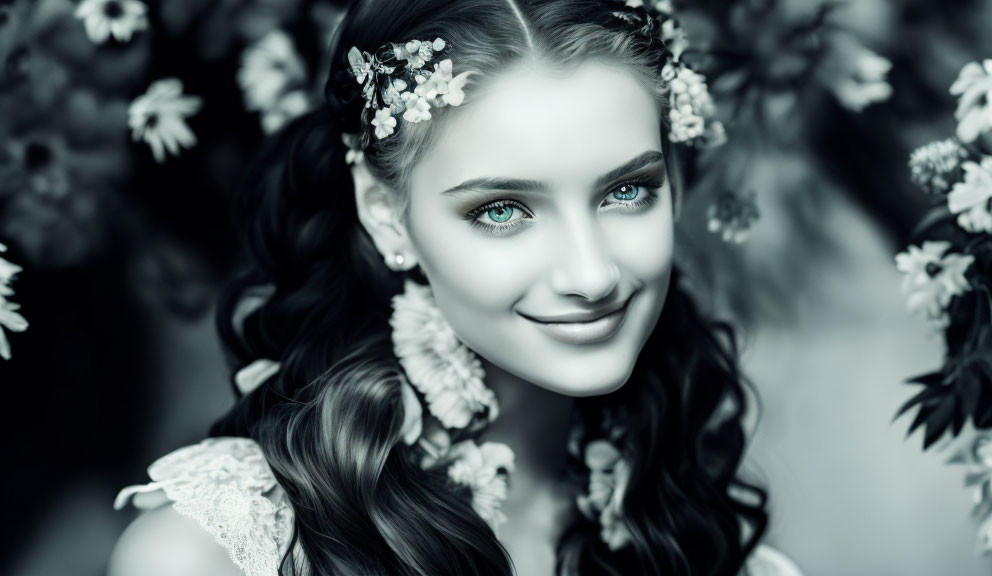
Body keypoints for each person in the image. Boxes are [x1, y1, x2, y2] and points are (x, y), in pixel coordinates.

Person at [108, 1, 804, 575]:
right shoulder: (214, 555)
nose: (591, 275)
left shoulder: (705, 540)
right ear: (387, 216)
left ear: (675, 184)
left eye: (627, 191)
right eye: (501, 210)